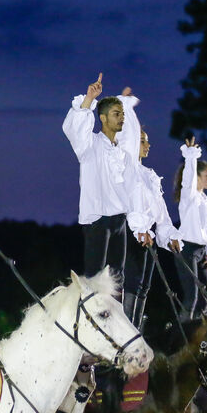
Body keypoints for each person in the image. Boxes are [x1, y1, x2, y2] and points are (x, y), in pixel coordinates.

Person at [62, 73, 152, 297]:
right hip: (97, 221)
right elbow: (74, 130)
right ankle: (90, 325)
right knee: (94, 278)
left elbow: (131, 189)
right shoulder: (90, 146)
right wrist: (89, 99)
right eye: (116, 114)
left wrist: (139, 226)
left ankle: (114, 326)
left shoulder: (122, 152)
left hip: (119, 220)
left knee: (117, 279)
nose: (121, 118)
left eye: (122, 114)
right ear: (102, 118)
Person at [115, 88, 182, 325]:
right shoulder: (127, 169)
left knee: (144, 286)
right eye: (143, 141)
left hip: (148, 237)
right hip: (131, 234)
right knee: (131, 284)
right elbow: (132, 205)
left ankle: (135, 333)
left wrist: (169, 236)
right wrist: (126, 107)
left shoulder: (149, 176)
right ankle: (123, 338)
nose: (148, 145)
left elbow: (161, 214)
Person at [175, 136, 207, 319]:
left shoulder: (205, 201)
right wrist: (191, 156)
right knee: (192, 297)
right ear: (197, 177)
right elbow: (188, 178)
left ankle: (202, 341)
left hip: (202, 252)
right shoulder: (190, 196)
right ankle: (183, 338)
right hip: (187, 250)